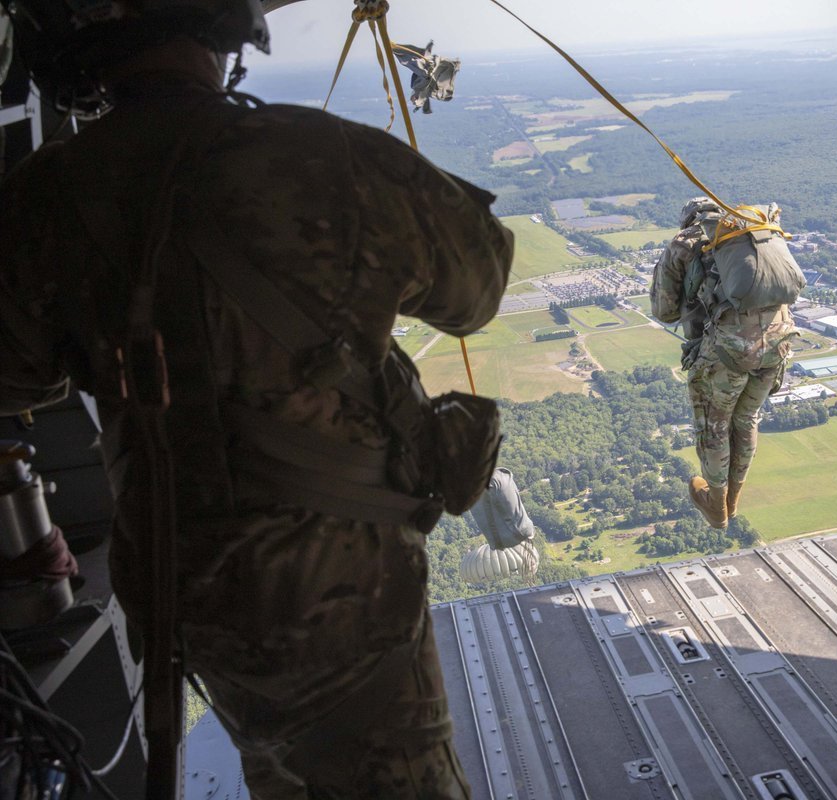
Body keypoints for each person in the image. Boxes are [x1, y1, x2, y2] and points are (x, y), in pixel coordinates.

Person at [0, 1, 513, 797]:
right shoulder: (322, 157)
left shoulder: (44, 201)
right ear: (218, 29)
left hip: (186, 599)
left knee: (278, 773)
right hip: (341, 604)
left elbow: (15, 374)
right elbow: (478, 287)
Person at [651, 197, 799, 529]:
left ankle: (715, 505)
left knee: (715, 424)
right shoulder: (752, 229)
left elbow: (665, 311)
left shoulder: (685, 242)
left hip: (729, 349)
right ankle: (733, 500)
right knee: (746, 419)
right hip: (779, 342)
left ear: (688, 218)